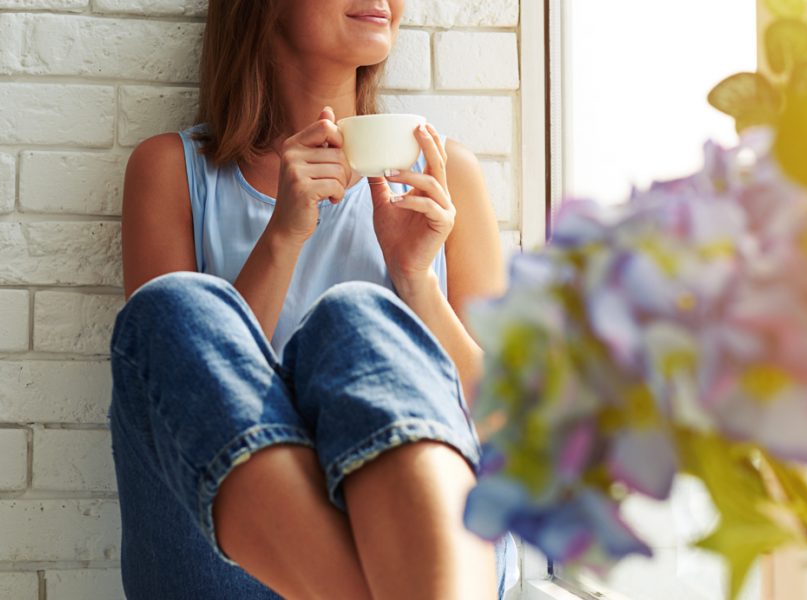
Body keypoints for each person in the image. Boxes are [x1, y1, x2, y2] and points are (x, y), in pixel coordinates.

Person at [106, 0, 517, 598]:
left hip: (431, 544)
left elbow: (508, 425)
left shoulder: (444, 174)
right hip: (236, 566)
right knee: (171, 310)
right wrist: (283, 236)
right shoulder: (171, 169)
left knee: (359, 319)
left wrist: (416, 281)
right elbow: (180, 402)